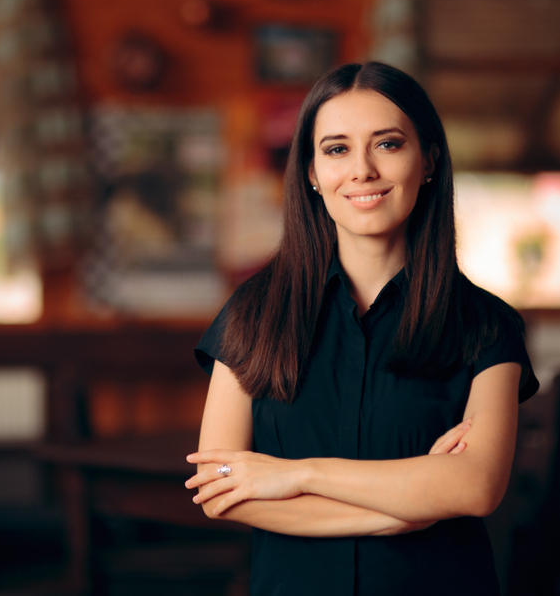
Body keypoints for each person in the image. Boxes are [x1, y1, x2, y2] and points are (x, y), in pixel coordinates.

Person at [184, 61, 538, 595]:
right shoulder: (252, 313)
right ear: (310, 172)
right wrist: (398, 512)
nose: (362, 170)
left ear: (429, 162)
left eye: (388, 144)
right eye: (336, 149)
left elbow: (476, 487)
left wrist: (298, 475)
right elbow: (219, 489)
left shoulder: (485, 325)